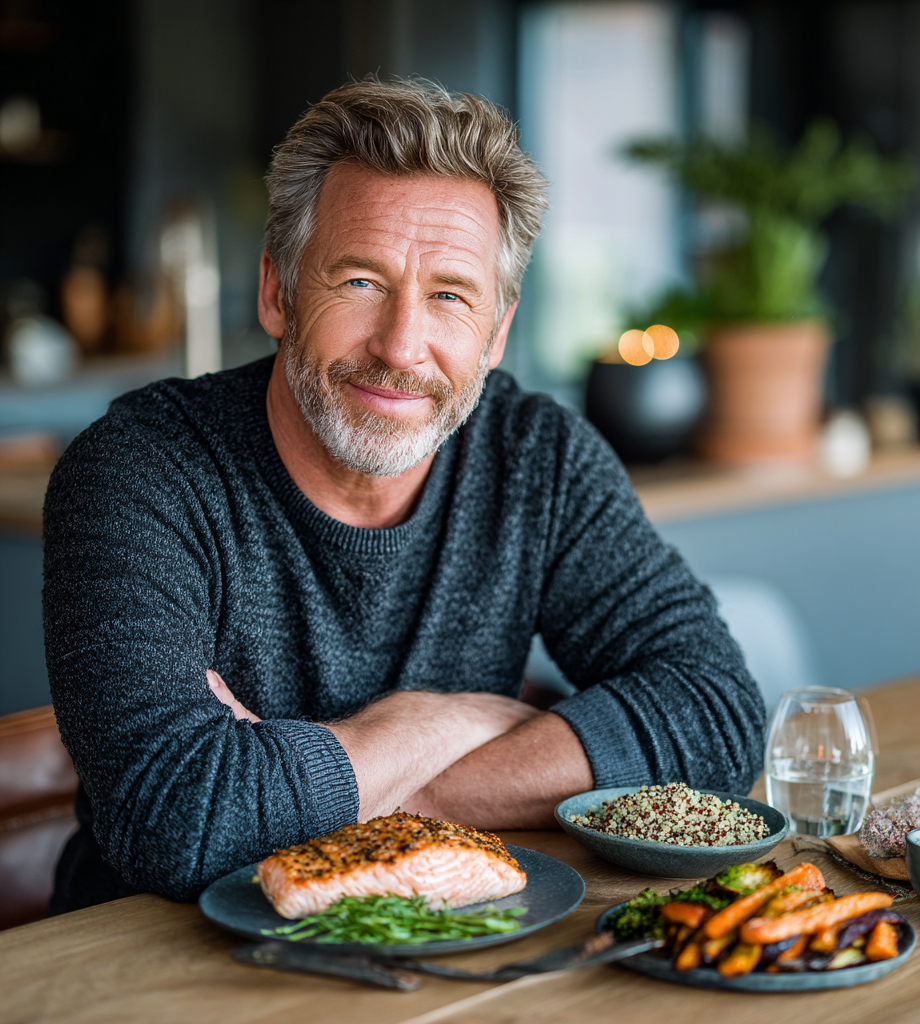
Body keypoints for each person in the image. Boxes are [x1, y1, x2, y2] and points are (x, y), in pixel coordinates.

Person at [43, 79, 764, 913]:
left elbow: (717, 712)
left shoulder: (536, 456)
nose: (401, 346)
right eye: (359, 282)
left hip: (455, 939)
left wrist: (339, 793)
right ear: (277, 292)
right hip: (157, 962)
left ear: (497, 332)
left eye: (450, 296)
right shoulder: (140, 471)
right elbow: (176, 818)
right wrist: (435, 725)